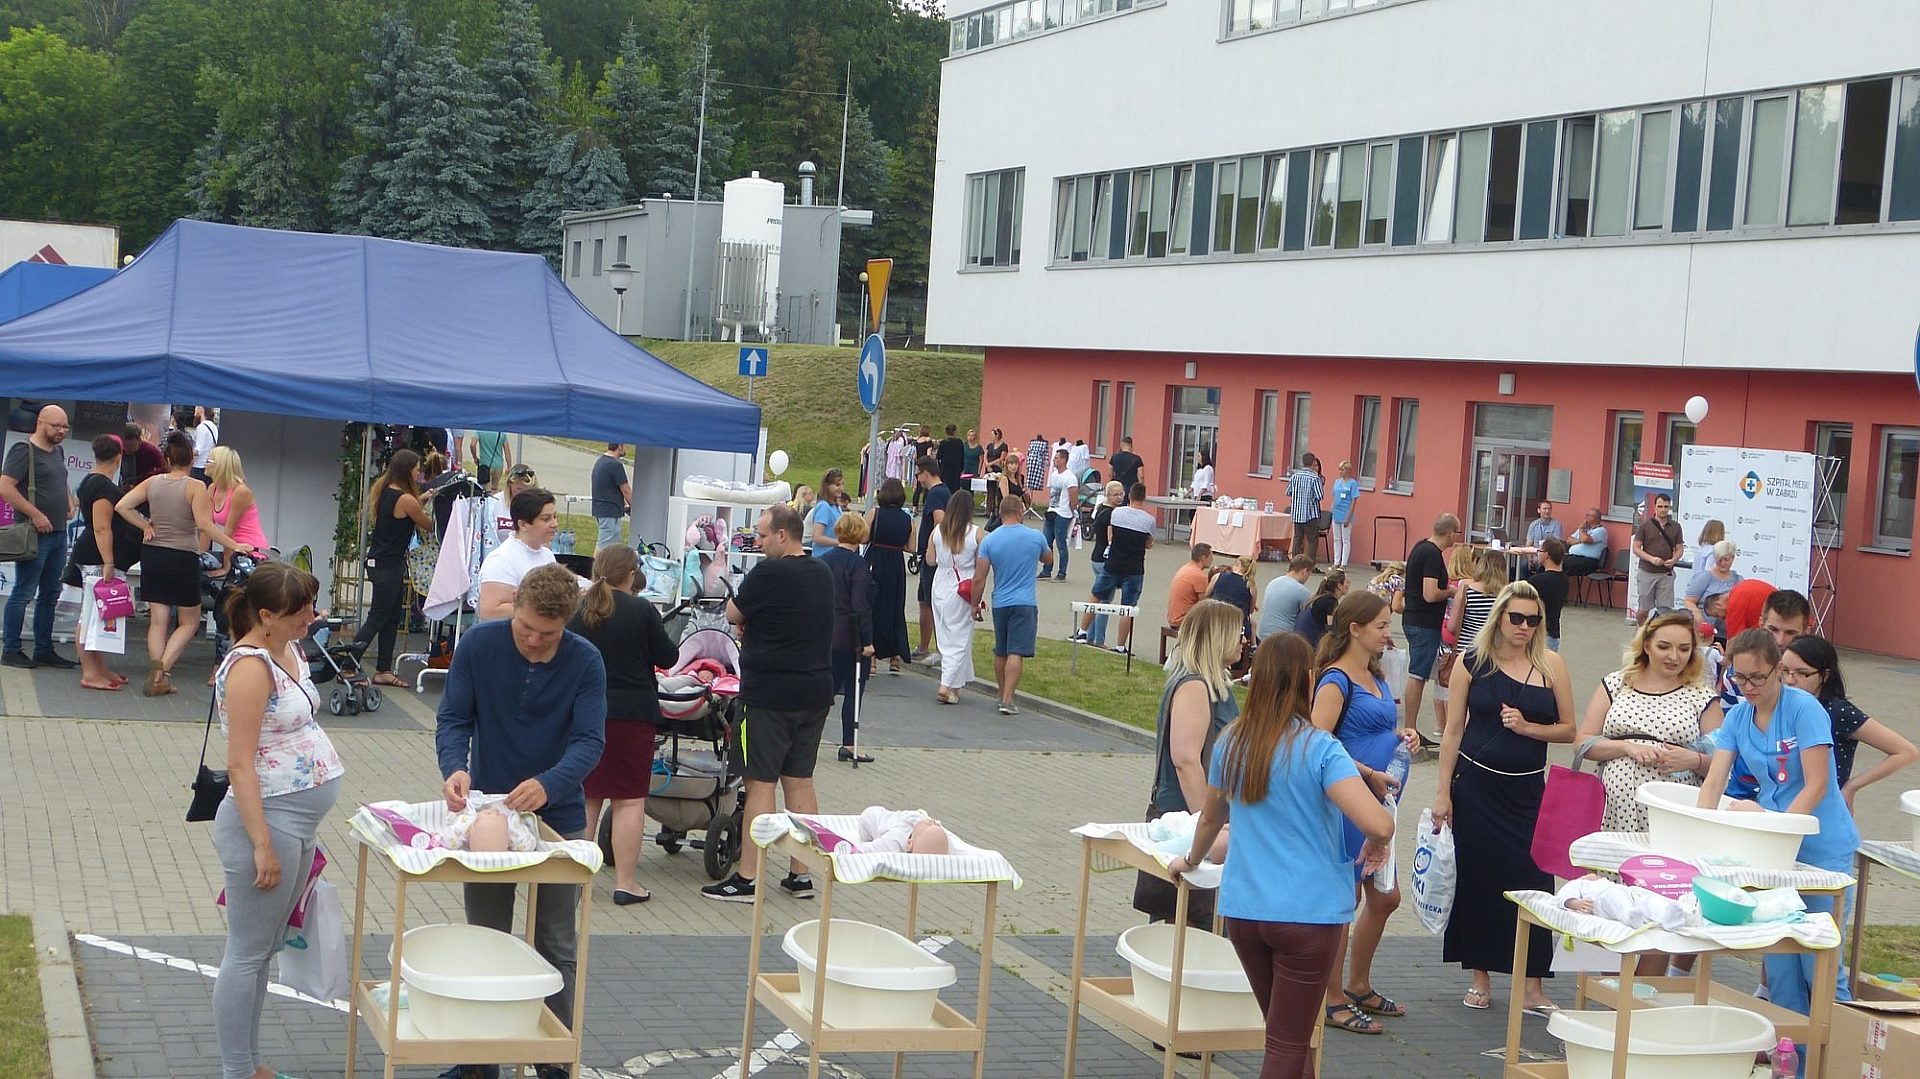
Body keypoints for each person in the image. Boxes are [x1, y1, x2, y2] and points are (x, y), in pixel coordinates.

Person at [1170, 633, 1394, 1078]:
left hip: (1246, 912)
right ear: (1308, 680)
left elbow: (1210, 819)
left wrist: (1191, 860)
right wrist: (1378, 840)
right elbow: (1379, 823)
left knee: (1286, 1034)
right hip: (1308, 914)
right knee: (1288, 1042)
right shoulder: (1320, 748)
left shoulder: (1232, 742)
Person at [437, 565, 605, 1078]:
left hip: (559, 814)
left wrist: (550, 783)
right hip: (489, 808)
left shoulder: (585, 661)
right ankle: (478, 1062)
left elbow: (590, 741)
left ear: (566, 624)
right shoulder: (478, 644)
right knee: (487, 937)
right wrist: (455, 767)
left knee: (556, 940)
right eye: (525, 627)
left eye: (547, 634)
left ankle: (552, 1061)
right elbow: (454, 718)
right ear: (514, 605)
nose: (533, 640)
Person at [210, 561, 343, 1079]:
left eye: (310, 606)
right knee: (247, 953)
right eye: (299, 612)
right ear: (265, 616)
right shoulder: (249, 668)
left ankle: (249, 1064)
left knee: (263, 950)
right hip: (268, 822)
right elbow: (239, 763)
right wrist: (261, 843)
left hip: (296, 824)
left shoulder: (288, 648)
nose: (311, 618)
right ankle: (237, 1070)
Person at [1430, 581, 1576, 1016]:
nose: (1524, 627)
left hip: (1527, 791)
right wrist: (1442, 792)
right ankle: (1480, 975)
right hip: (1475, 786)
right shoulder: (1471, 662)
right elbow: (1452, 731)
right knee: (1479, 878)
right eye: (1516, 618)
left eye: (1533, 620)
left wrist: (1528, 728)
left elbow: (1569, 729)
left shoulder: (1551, 665)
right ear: (1499, 618)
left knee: (1534, 881)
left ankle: (1532, 986)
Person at [1698, 628, 1861, 1015]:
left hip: (1820, 848)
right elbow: (1714, 782)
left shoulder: (1805, 709)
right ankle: (1791, 1052)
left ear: (1778, 670)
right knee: (1781, 968)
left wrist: (1776, 828)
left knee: (1818, 963)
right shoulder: (1739, 717)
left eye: (1758, 677)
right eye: (1740, 677)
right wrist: (1699, 840)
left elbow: (1818, 784)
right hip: (1773, 852)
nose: (1749, 687)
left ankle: (1839, 1046)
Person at [703, 504, 834, 903]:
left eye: (761, 535)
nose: (757, 543)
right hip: (814, 691)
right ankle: (801, 873)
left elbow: (732, 612)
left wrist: (749, 620)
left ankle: (748, 876)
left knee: (760, 783)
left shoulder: (768, 573)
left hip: (769, 695)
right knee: (800, 780)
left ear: (782, 535)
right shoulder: (822, 572)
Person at [1311, 592, 1421, 1035]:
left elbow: (1377, 727)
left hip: (1379, 802)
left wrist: (1403, 735)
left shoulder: (1374, 673)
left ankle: (1357, 984)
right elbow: (1318, 741)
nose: (1387, 633)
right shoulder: (1336, 680)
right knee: (1348, 896)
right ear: (1354, 629)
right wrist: (1368, 773)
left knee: (1385, 896)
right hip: (1350, 801)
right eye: (1380, 625)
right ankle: (1331, 997)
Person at [570, 544, 678, 905]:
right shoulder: (641, 610)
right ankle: (626, 883)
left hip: (586, 713)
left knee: (587, 797)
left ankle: (574, 880)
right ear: (631, 574)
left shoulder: (580, 609)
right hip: (632, 715)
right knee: (629, 801)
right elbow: (669, 656)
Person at [116, 431, 256, 695]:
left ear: (167, 458)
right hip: (182, 556)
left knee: (157, 622)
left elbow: (122, 506)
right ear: (192, 458)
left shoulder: (152, 482)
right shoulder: (195, 487)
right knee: (189, 622)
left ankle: (157, 672)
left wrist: (145, 525)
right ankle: (161, 673)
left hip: (153, 554)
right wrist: (235, 545)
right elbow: (204, 525)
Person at [1135, 600, 1243, 927]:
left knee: (1191, 927)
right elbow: (1185, 760)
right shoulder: (1195, 686)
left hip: (1200, 819)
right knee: (1186, 924)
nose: (1243, 639)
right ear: (1217, 637)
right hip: (1185, 817)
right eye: (1237, 632)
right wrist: (1206, 823)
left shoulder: (1210, 684)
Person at [1577, 610, 1723, 834]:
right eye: (1664, 647)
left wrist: (1694, 760)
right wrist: (1626, 747)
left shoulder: (1702, 697)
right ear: (1646, 646)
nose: (1674, 657)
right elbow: (1582, 742)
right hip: (1613, 807)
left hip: (1673, 810)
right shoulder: (1617, 683)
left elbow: (1724, 764)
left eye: (1684, 649)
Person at [1783, 635, 1918, 807]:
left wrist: (1851, 787)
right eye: (1784, 671)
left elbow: (1905, 751)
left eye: (1803, 673)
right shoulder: (1780, 706)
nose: (1789, 680)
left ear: (1824, 675)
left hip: (1825, 807)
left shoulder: (1838, 711)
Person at [0, 404, 78, 670]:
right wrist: (35, 514)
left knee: (51, 591)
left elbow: (61, 478)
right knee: (24, 591)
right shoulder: (24, 451)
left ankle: (44, 649)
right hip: (35, 533)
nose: (62, 431)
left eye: (65, 426)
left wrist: (69, 501)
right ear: (41, 423)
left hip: (58, 533)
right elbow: (5, 487)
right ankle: (11, 649)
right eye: (57, 426)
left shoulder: (57, 451)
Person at [352, 450, 433, 687]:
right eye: (417, 469)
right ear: (407, 470)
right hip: (388, 566)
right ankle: (347, 664)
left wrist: (423, 499)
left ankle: (383, 670)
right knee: (377, 617)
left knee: (390, 618)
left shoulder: (387, 490)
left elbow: (410, 509)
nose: (419, 474)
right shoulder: (406, 499)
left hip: (384, 563)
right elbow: (428, 525)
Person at [68, 434, 143, 690]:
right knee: (90, 614)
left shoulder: (91, 481)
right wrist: (108, 562)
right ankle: (90, 672)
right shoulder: (103, 487)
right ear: (119, 457)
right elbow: (101, 527)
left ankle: (99, 668)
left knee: (98, 614)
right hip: (97, 557)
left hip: (93, 554)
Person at [972, 496, 1050, 714]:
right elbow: (1048, 559)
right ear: (1020, 511)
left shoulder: (990, 541)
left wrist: (974, 604)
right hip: (1025, 601)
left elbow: (980, 577)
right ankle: (1008, 700)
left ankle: (1001, 692)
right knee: (1016, 651)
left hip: (1000, 601)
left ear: (1000, 513)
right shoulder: (1035, 537)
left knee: (1001, 650)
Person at [820, 513, 876, 763]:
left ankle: (807, 739)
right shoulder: (858, 565)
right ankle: (849, 744)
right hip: (850, 637)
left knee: (824, 691)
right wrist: (867, 641)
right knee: (853, 691)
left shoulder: (823, 561)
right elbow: (860, 605)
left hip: (824, 634)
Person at [1400, 514, 1461, 741]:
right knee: (1418, 675)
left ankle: (1411, 727)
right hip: (1423, 623)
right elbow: (1430, 593)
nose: (1457, 537)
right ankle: (1410, 729)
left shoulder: (1421, 547)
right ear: (1450, 533)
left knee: (1419, 673)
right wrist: (1451, 591)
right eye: (1457, 532)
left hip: (1415, 619)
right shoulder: (1432, 554)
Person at [926, 490, 981, 705]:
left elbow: (930, 560)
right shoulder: (975, 533)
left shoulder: (938, 530)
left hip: (940, 583)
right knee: (959, 638)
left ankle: (956, 687)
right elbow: (981, 564)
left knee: (946, 634)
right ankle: (946, 684)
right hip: (963, 584)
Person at [476, 487, 561, 620]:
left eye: (555, 517)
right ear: (523, 524)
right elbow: (490, 611)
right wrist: (543, 609)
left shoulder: (547, 555)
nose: (554, 524)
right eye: (546, 519)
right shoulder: (501, 560)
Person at [864, 478, 914, 673]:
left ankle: (873, 660)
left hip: (875, 559)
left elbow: (863, 537)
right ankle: (895, 657)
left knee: (873, 607)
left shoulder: (875, 513)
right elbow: (911, 547)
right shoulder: (907, 519)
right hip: (895, 563)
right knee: (894, 608)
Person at [1099, 483, 1155, 656]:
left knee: (1097, 595)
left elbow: (1112, 534)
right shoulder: (1149, 520)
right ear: (1144, 498)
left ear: (1129, 496)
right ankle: (1120, 646)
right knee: (1128, 607)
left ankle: (1083, 630)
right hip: (1134, 568)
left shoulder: (1117, 513)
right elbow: (1149, 543)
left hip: (1114, 563)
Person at [1073, 481, 1126, 646]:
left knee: (1098, 598)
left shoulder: (1101, 509)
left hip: (1096, 558)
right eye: (1116, 494)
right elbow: (1112, 538)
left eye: (1121, 494)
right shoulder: (1112, 514)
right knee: (1104, 603)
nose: (1119, 497)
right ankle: (1099, 640)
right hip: (1104, 560)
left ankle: (1089, 636)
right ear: (1108, 496)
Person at [913, 457, 950, 660]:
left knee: (933, 602)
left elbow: (939, 521)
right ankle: (924, 646)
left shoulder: (936, 494)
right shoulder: (943, 491)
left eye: (918, 474)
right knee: (924, 601)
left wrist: (930, 549)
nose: (918, 479)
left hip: (932, 558)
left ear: (926, 473)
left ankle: (939, 649)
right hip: (931, 556)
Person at [1631, 493, 1685, 617]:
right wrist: (1651, 559)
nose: (1663, 510)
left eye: (1666, 507)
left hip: (1666, 574)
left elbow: (1679, 549)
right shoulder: (1645, 525)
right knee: (1644, 609)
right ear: (1655, 506)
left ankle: (1660, 629)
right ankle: (1641, 628)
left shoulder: (1676, 527)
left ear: (1669, 508)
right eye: (1660, 506)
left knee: (1665, 611)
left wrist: (1674, 560)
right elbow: (1636, 548)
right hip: (1647, 572)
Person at [1209, 554, 1259, 662]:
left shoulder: (1218, 577)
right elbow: (1250, 611)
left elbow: (1206, 596)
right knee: (1252, 624)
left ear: (1238, 563)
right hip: (1237, 625)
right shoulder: (1251, 585)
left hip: (1215, 620)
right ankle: (1253, 649)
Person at [1684, 540, 1742, 632]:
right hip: (1704, 628)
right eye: (1719, 560)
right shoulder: (1704, 577)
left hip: (1728, 630)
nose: (1722, 563)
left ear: (1733, 558)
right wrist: (1698, 617)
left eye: (1726, 559)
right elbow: (1689, 601)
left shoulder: (1738, 580)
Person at [1258, 555, 1315, 640]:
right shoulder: (1302, 591)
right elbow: (1308, 620)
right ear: (1304, 571)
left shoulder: (1273, 583)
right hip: (1285, 640)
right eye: (1309, 574)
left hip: (1263, 636)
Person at [590, 443, 632, 552]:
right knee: (604, 546)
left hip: (601, 510)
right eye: (625, 445)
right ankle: (595, 563)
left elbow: (610, 488)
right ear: (620, 446)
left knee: (610, 548)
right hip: (610, 512)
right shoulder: (615, 465)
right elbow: (626, 490)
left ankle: (604, 563)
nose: (627, 448)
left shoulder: (601, 462)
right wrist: (635, 508)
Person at [1043, 447, 1077, 582]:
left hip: (1062, 514)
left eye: (1056, 458)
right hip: (1052, 511)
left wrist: (1071, 511)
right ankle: (1046, 570)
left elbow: (1073, 497)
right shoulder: (1054, 474)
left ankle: (1062, 573)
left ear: (1063, 460)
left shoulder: (1070, 477)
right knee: (1046, 542)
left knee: (1061, 544)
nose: (1054, 460)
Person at [1292, 568, 1348, 650]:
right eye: (1347, 582)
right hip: (1309, 645)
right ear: (1340, 586)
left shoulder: (1317, 598)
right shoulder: (1331, 602)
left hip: (1298, 641)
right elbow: (1331, 629)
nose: (1349, 585)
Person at [1531, 537, 1570, 652]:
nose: (1537, 554)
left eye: (1539, 551)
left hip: (1541, 634)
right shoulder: (1564, 579)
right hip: (1554, 633)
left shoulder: (1538, 581)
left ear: (1547, 555)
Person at [1286, 453, 1325, 562]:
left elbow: (1288, 492)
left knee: (1297, 538)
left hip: (1297, 513)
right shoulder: (1314, 478)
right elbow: (1320, 496)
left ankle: (1295, 563)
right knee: (1312, 540)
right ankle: (1309, 565)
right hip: (1310, 514)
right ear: (1313, 462)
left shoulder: (1295, 476)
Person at [1166, 542, 1213, 629]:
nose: (1212, 560)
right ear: (1203, 558)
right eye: (1211, 557)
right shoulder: (1199, 575)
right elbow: (1205, 603)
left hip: (1174, 617)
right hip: (1183, 620)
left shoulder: (1186, 568)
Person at [805, 468, 846, 556]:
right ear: (827, 486)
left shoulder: (836, 506)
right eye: (837, 485)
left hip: (834, 556)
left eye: (842, 484)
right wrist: (840, 543)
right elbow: (817, 537)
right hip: (823, 557)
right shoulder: (824, 507)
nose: (841, 488)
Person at [1519, 501, 1563, 579]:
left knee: (1541, 568)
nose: (1547, 511)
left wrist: (1541, 558)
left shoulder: (1556, 525)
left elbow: (1555, 545)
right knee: (1523, 566)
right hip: (1535, 555)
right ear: (1539, 510)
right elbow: (1528, 544)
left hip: (1549, 556)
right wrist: (1530, 558)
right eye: (1544, 509)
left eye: (1549, 509)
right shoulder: (1533, 524)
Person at [1329, 461, 1360, 568]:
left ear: (1348, 471)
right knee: (1336, 539)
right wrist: (1332, 508)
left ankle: (1344, 563)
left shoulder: (1352, 483)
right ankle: (1336, 562)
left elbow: (1353, 501)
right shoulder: (1337, 482)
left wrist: (1348, 516)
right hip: (1336, 513)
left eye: (1342, 470)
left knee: (1345, 539)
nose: (1340, 472)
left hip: (1346, 513)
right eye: (1339, 469)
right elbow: (1334, 496)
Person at [1563, 507, 1608, 579]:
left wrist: (1581, 529)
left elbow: (1585, 539)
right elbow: (1568, 540)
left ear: (1594, 518)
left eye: (1588, 515)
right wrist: (1580, 540)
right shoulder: (1585, 528)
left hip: (1589, 561)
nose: (1585, 517)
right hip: (1575, 558)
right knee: (1553, 559)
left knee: (1562, 562)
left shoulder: (1601, 530)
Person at [122, 421, 165, 488]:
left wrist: (150, 476)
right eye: (124, 446)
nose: (126, 449)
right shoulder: (117, 450)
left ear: (139, 440)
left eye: (130, 446)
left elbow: (163, 468)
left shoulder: (151, 451)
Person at [190, 405, 220, 484]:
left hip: (199, 466)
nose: (194, 410)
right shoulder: (214, 426)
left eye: (196, 407)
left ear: (201, 410)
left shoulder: (201, 427)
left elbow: (198, 450)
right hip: (209, 465)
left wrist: (185, 454)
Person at [936, 424, 966, 491]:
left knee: (945, 488)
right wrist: (961, 468)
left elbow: (939, 457)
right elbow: (962, 456)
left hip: (945, 470)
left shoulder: (943, 443)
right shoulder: (959, 443)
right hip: (956, 469)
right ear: (955, 432)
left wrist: (940, 468)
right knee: (955, 489)